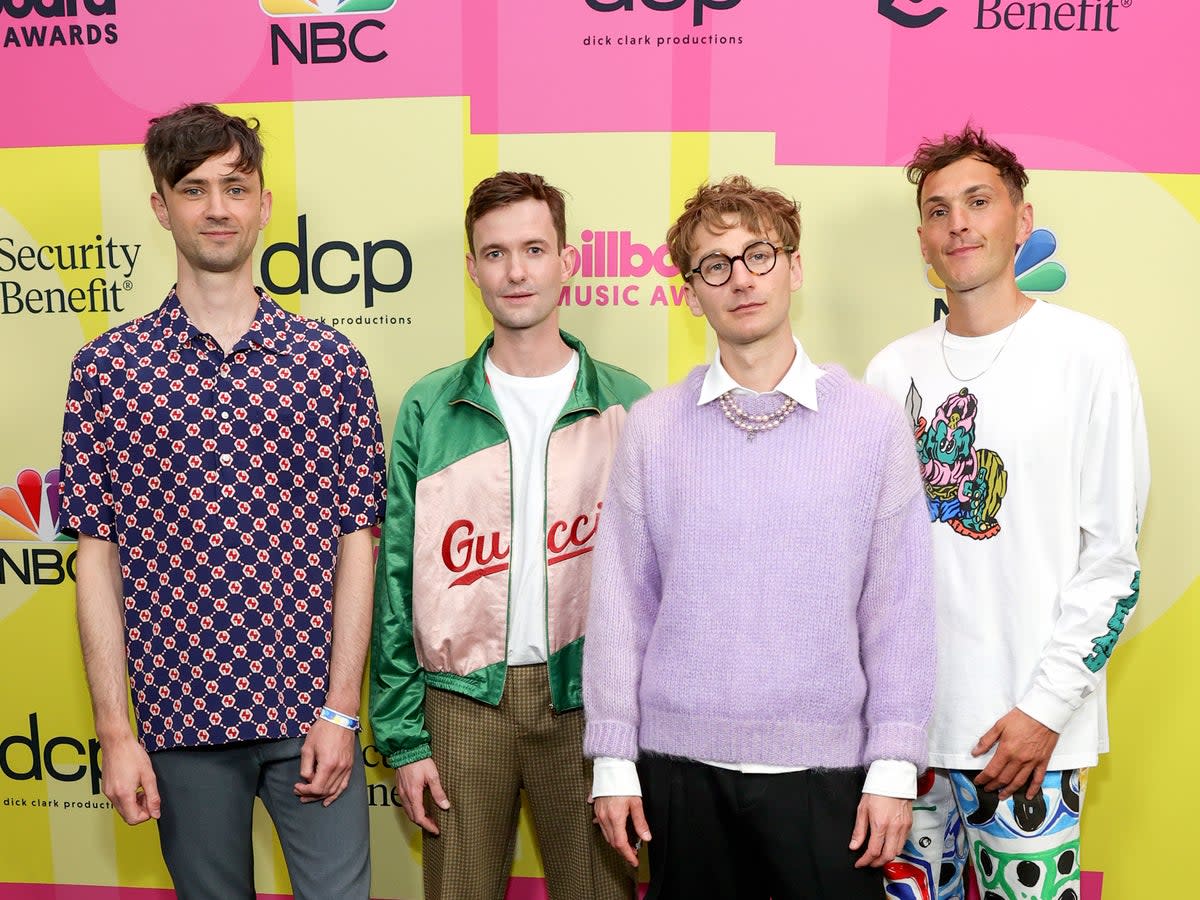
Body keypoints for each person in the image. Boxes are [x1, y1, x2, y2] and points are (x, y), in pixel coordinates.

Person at [59, 103, 385, 900]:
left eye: (235, 187)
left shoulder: (330, 362)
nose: (216, 208)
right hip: (179, 724)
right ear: (160, 205)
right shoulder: (106, 371)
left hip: (311, 720)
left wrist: (343, 711)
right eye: (194, 188)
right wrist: (115, 734)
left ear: (264, 204)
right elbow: (94, 565)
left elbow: (358, 542)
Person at [583, 175, 936, 899]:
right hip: (679, 773)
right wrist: (613, 758)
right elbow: (621, 602)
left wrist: (896, 764)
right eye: (715, 265)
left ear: (795, 267)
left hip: (830, 779)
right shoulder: (652, 427)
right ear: (690, 292)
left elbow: (900, 608)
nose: (740, 279)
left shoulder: (872, 425)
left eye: (758, 255)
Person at [865, 125, 1150, 900]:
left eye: (979, 201)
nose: (958, 222)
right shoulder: (892, 370)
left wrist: (1046, 709)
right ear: (923, 237)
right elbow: (875, 563)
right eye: (938, 209)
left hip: (1031, 743)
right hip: (906, 742)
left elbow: (1113, 557)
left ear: (1021, 221)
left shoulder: (1089, 355)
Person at [370, 171, 648, 900]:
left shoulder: (632, 405)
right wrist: (403, 737)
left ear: (569, 260)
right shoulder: (431, 407)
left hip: (591, 705)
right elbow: (395, 580)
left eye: (533, 248)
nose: (516, 271)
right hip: (460, 705)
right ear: (471, 269)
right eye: (494, 253)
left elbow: (661, 586)